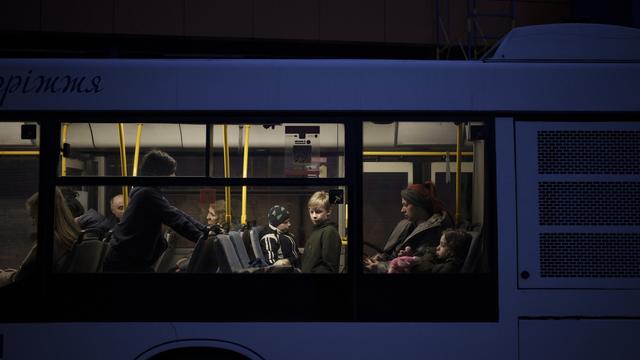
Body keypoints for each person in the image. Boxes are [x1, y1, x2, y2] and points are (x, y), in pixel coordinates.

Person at [103, 150, 209, 272]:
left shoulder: (149, 192)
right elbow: (175, 220)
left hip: (131, 260)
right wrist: (201, 239)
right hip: (125, 264)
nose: (174, 176)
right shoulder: (147, 194)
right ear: (158, 173)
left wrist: (205, 230)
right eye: (171, 172)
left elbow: (178, 213)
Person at [364, 181, 452, 273]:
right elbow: (393, 254)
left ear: (419, 205)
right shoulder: (406, 225)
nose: (402, 210)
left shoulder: (435, 230)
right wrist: (381, 258)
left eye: (405, 205)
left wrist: (381, 266)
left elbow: (420, 264)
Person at [0, 188, 80, 287]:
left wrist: (4, 276)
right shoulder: (67, 237)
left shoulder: (49, 241)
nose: (33, 223)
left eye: (34, 216)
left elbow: (20, 279)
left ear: (43, 215)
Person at [388, 229, 471, 274]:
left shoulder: (450, 267)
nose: (437, 247)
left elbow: (427, 269)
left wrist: (417, 261)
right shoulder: (440, 258)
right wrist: (411, 256)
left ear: (452, 250)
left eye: (442, 245)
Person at [301, 191, 341, 273]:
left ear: (328, 212)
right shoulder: (316, 231)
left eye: (318, 212)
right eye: (311, 212)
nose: (314, 216)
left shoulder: (329, 232)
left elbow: (328, 267)